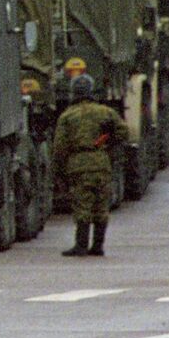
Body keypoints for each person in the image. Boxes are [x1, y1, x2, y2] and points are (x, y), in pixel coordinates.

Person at [52, 74, 125, 258]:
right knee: (101, 206)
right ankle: (98, 245)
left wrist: (58, 171)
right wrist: (106, 143)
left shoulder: (67, 116)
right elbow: (123, 132)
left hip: (78, 165)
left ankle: (81, 245)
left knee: (82, 205)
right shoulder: (105, 112)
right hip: (101, 162)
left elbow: (60, 147)